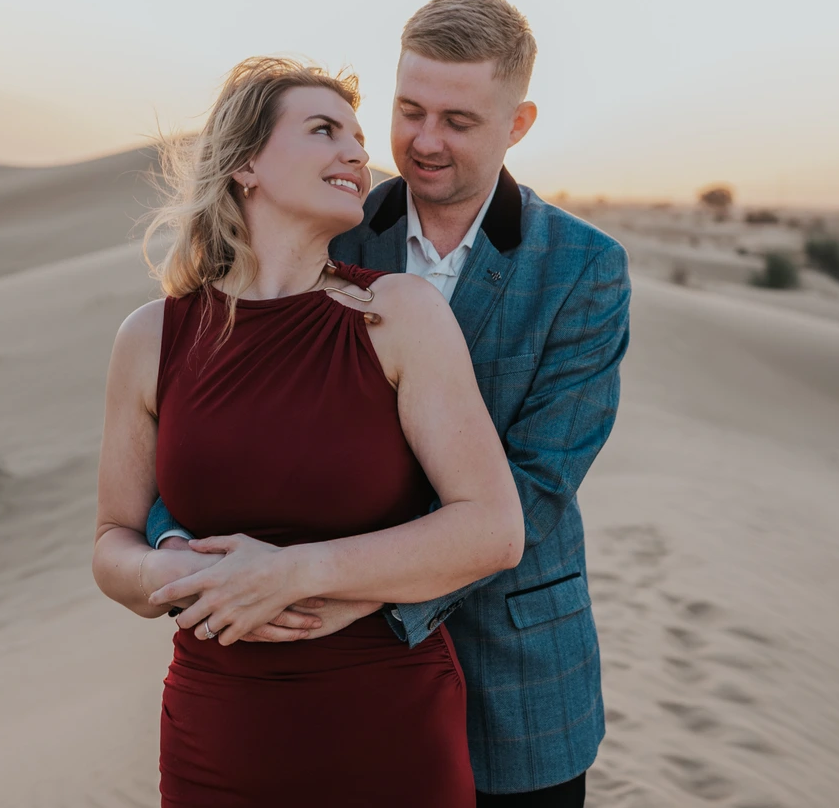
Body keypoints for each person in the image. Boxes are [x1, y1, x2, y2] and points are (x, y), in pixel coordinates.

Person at [145, 0, 632, 807]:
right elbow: (214, 412)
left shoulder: (584, 268)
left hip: (516, 678)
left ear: (519, 122)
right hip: (340, 692)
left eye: (459, 120)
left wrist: (348, 593)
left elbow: (537, 485)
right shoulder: (329, 224)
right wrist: (188, 551)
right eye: (409, 110)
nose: (424, 141)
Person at [92, 55, 525, 807]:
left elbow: (492, 528)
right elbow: (111, 540)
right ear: (246, 164)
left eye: (358, 138)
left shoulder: (399, 313)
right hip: (215, 732)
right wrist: (170, 575)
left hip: (384, 727)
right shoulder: (151, 336)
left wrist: (295, 571)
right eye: (324, 130)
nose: (357, 153)